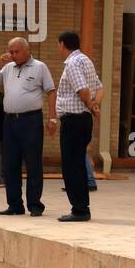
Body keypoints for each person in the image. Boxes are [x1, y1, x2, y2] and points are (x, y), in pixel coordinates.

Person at [0, 36, 56, 217]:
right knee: (10, 163)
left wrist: (53, 118)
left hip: (31, 120)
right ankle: (14, 204)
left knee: (33, 162)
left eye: (16, 51)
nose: (13, 55)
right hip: (10, 121)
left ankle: (34, 204)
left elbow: (51, 92)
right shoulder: (8, 68)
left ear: (27, 50)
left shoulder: (40, 67)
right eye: (11, 51)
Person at [54, 30, 102, 222]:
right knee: (78, 165)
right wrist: (95, 105)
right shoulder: (85, 60)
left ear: (62, 44)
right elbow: (99, 87)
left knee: (71, 166)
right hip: (82, 120)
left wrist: (90, 105)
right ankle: (81, 207)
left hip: (74, 120)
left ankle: (80, 209)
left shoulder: (72, 63)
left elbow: (83, 90)